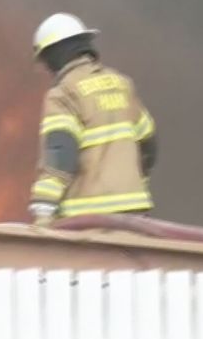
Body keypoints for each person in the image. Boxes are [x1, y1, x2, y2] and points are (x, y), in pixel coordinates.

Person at [27, 13, 158, 227]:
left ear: (53, 55)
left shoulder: (64, 94)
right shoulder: (121, 84)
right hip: (135, 216)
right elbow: (149, 144)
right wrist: (134, 182)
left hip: (89, 220)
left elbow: (61, 154)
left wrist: (44, 210)